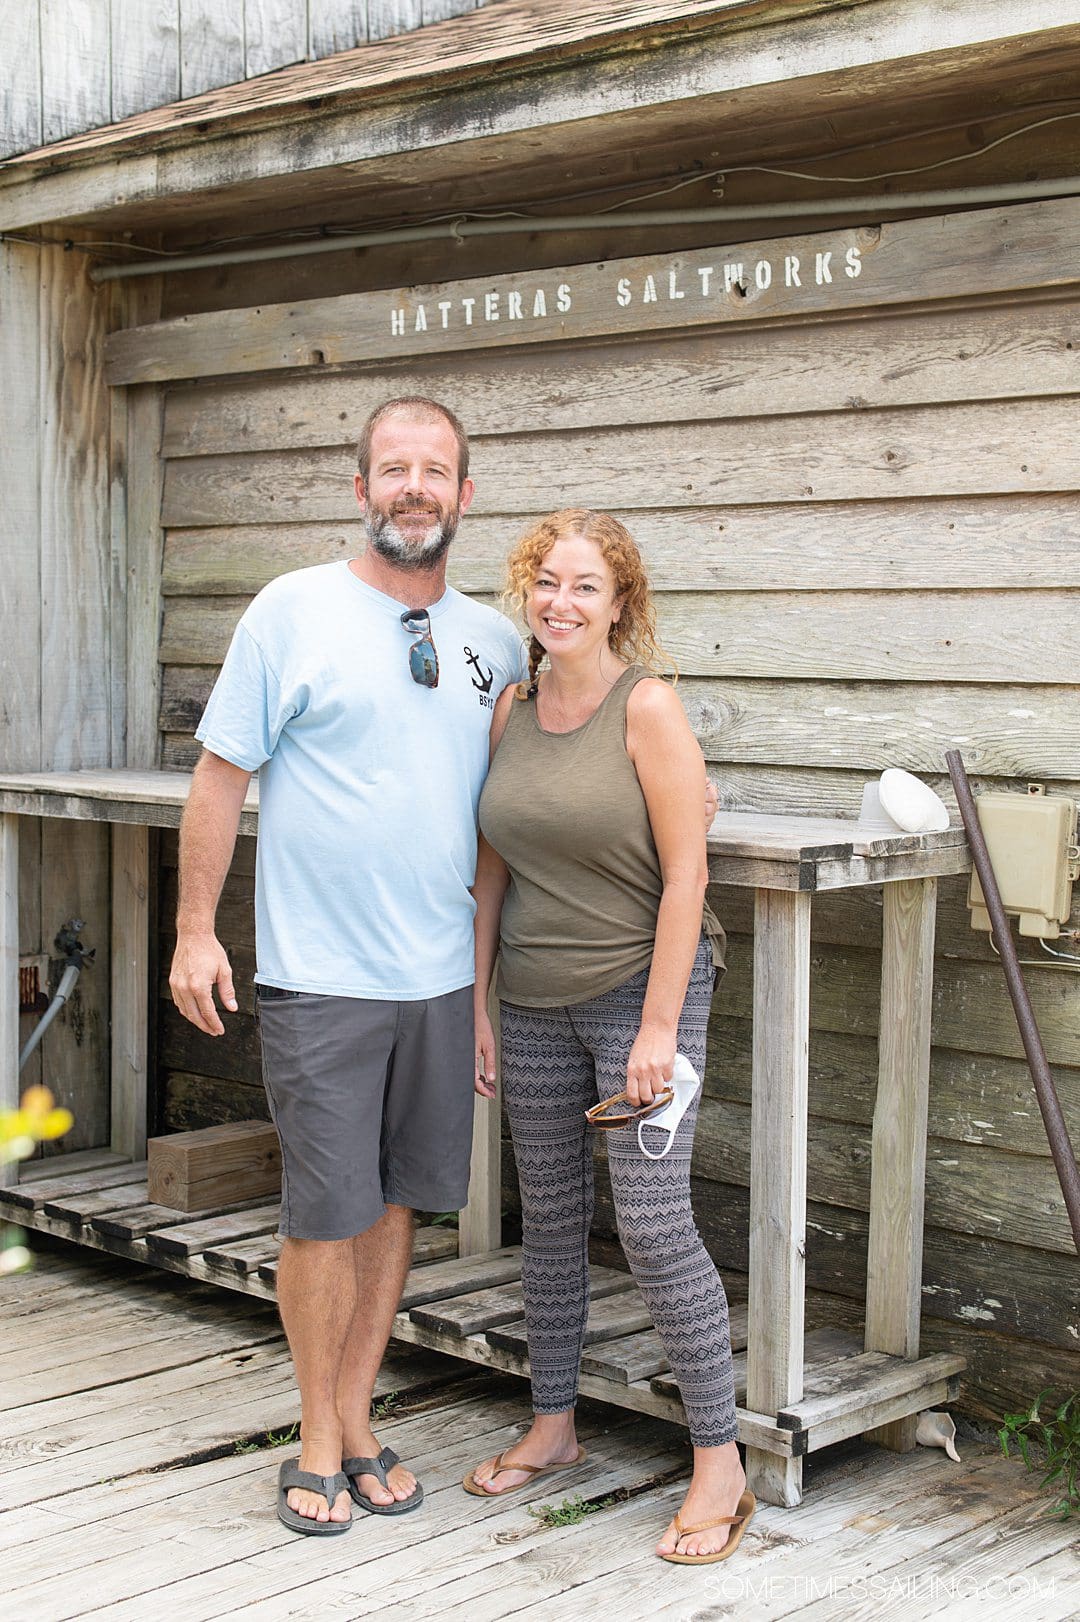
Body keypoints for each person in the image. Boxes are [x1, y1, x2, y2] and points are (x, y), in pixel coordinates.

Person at [168, 396, 528, 1534]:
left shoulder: (497, 643)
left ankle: (359, 1414)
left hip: (436, 977)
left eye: (436, 470)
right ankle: (316, 1434)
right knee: (326, 1210)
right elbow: (220, 778)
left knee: (397, 1202)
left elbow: (509, 813)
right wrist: (191, 929)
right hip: (321, 972)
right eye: (393, 468)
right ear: (360, 487)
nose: (414, 486)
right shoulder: (291, 613)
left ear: (465, 495)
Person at [465, 510, 754, 1565]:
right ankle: (554, 1424)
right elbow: (492, 862)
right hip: (531, 996)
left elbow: (689, 873)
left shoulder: (649, 708)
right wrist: (477, 998)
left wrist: (659, 1028)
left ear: (620, 602)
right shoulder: (511, 708)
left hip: (642, 994)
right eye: (547, 583)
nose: (562, 602)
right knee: (546, 1215)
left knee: (652, 1224)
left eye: (585, 585)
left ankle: (719, 1462)